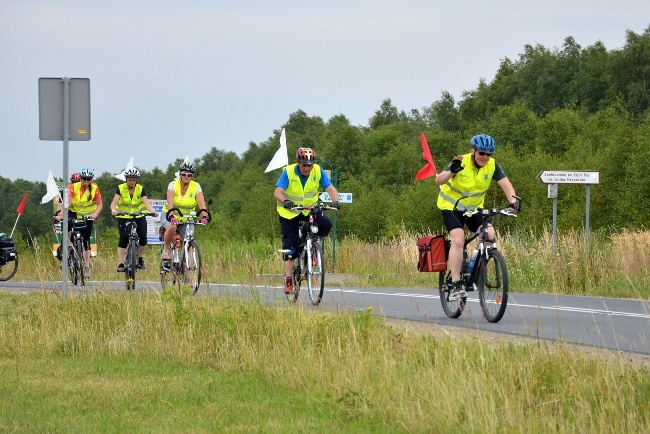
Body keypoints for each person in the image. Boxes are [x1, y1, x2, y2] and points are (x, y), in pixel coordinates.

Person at [435, 134, 519, 301]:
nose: (485, 158)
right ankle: (457, 283)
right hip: (451, 207)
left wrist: (513, 202)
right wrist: (452, 170)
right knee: (458, 239)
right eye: (482, 153)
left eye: (489, 154)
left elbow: (505, 184)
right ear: (473, 151)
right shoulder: (461, 161)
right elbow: (438, 180)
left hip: (473, 209)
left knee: (490, 235)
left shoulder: (492, 166)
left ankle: (476, 271)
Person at [273, 147, 340, 294]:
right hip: (289, 212)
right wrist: (285, 201)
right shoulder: (288, 172)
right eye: (304, 165)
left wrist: (336, 201)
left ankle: (314, 246)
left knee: (325, 224)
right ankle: (289, 279)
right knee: (290, 247)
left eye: (310, 165)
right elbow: (277, 192)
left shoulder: (318, 171)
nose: (307, 168)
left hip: (308, 208)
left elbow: (330, 188)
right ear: (298, 163)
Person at [55, 167, 103, 278]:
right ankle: (65, 256)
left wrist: (95, 214)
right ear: (80, 178)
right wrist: (61, 214)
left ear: (91, 179)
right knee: (67, 229)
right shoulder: (72, 187)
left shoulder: (95, 189)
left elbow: (100, 204)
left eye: (88, 179)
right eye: (84, 178)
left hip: (88, 215)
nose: (86, 181)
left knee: (86, 241)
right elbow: (68, 202)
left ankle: (86, 266)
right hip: (73, 212)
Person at [109, 167, 159, 272]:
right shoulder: (121, 188)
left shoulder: (140, 189)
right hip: (124, 216)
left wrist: (153, 211)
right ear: (126, 179)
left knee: (143, 237)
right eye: (130, 179)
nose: (132, 182)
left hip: (139, 216)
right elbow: (114, 202)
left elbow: (147, 203)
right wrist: (114, 210)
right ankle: (121, 263)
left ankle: (140, 258)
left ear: (137, 180)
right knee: (123, 238)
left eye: (134, 180)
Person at [160, 162, 209, 263]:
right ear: (180, 174)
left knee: (188, 241)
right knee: (172, 226)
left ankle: (188, 273)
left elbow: (201, 204)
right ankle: (166, 250)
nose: (186, 176)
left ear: (192, 176)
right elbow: (170, 203)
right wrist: (172, 215)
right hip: (169, 214)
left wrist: (204, 216)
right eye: (183, 174)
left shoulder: (196, 186)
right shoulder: (173, 185)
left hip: (187, 217)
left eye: (189, 174)